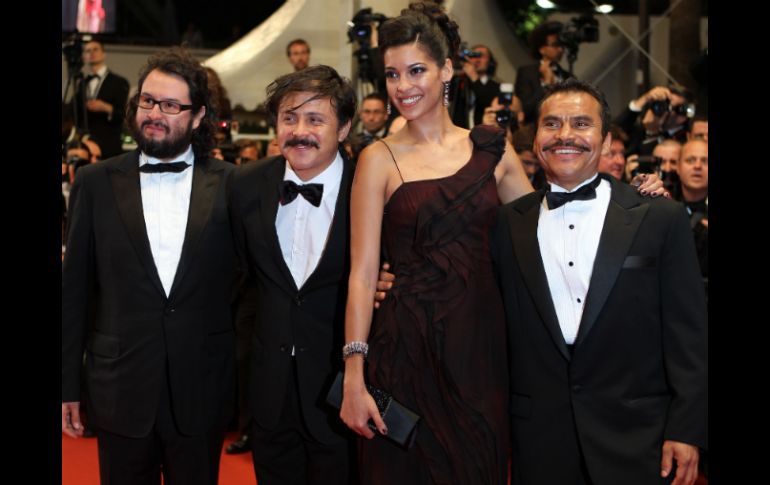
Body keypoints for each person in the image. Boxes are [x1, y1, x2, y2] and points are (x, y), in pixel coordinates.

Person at [340, 3, 533, 484]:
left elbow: (541, 237)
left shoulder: (493, 149)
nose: (402, 86)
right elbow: (363, 275)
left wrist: (632, 203)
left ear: (447, 69)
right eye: (391, 74)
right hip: (402, 353)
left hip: (480, 351)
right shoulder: (377, 158)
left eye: (416, 70)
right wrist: (354, 374)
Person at [490, 79, 707, 485]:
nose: (565, 135)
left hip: (640, 438)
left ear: (607, 142)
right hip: (539, 441)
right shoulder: (506, 224)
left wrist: (687, 428)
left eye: (581, 124)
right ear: (536, 139)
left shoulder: (658, 218)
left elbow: (689, 336)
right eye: (551, 124)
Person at [62, 47, 237, 485]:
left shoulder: (235, 185)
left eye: (171, 105)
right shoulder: (95, 183)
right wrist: (66, 386)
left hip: (201, 388)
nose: (155, 113)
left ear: (198, 117)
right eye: (147, 101)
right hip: (119, 387)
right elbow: (74, 293)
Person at [228, 64, 358, 485]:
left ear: (344, 129)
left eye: (315, 119)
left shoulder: (370, 188)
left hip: (343, 394)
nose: (299, 130)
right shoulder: (245, 185)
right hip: (269, 394)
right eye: (289, 117)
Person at [71, 38, 130, 159]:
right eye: (88, 51)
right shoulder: (82, 82)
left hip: (109, 145)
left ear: (104, 54)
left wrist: (107, 108)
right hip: (87, 146)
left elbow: (124, 114)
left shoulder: (119, 82)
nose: (91, 53)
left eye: (95, 49)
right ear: (84, 57)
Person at [515, 21, 571, 125]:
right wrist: (546, 85)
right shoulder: (527, 73)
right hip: (534, 128)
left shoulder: (567, 76)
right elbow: (525, 108)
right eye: (555, 45)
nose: (560, 49)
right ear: (542, 49)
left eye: (562, 45)